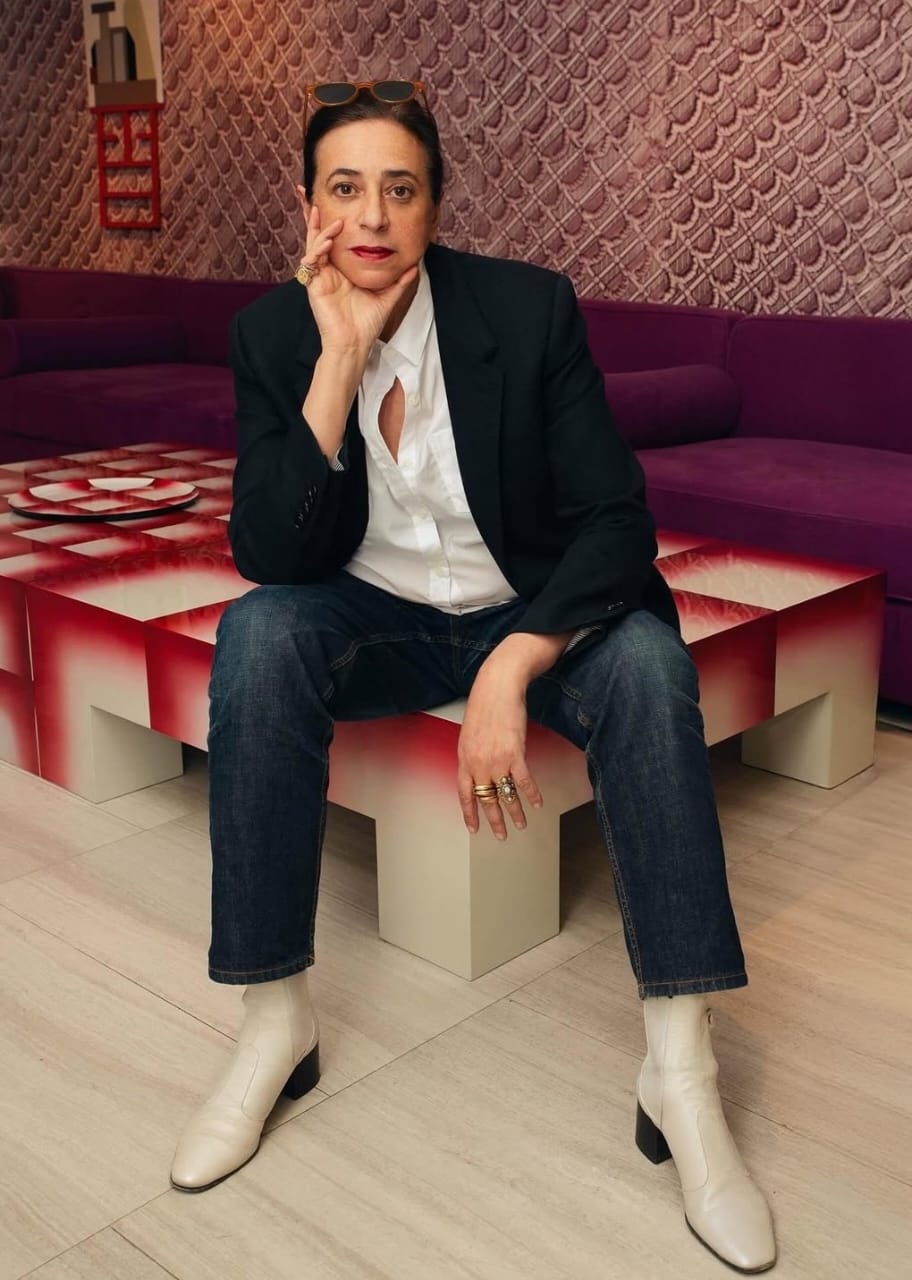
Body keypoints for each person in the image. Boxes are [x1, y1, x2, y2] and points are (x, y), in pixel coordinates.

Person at [169, 79, 776, 1273]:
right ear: (309, 207)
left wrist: (514, 660)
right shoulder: (272, 335)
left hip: (527, 608)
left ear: (436, 206)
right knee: (258, 634)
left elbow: (617, 519)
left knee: (649, 666)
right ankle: (274, 1017)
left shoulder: (527, 309)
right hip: (378, 616)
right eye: (346, 188)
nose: (372, 216)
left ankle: (681, 1065)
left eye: (400, 188)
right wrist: (339, 364)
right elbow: (271, 553)